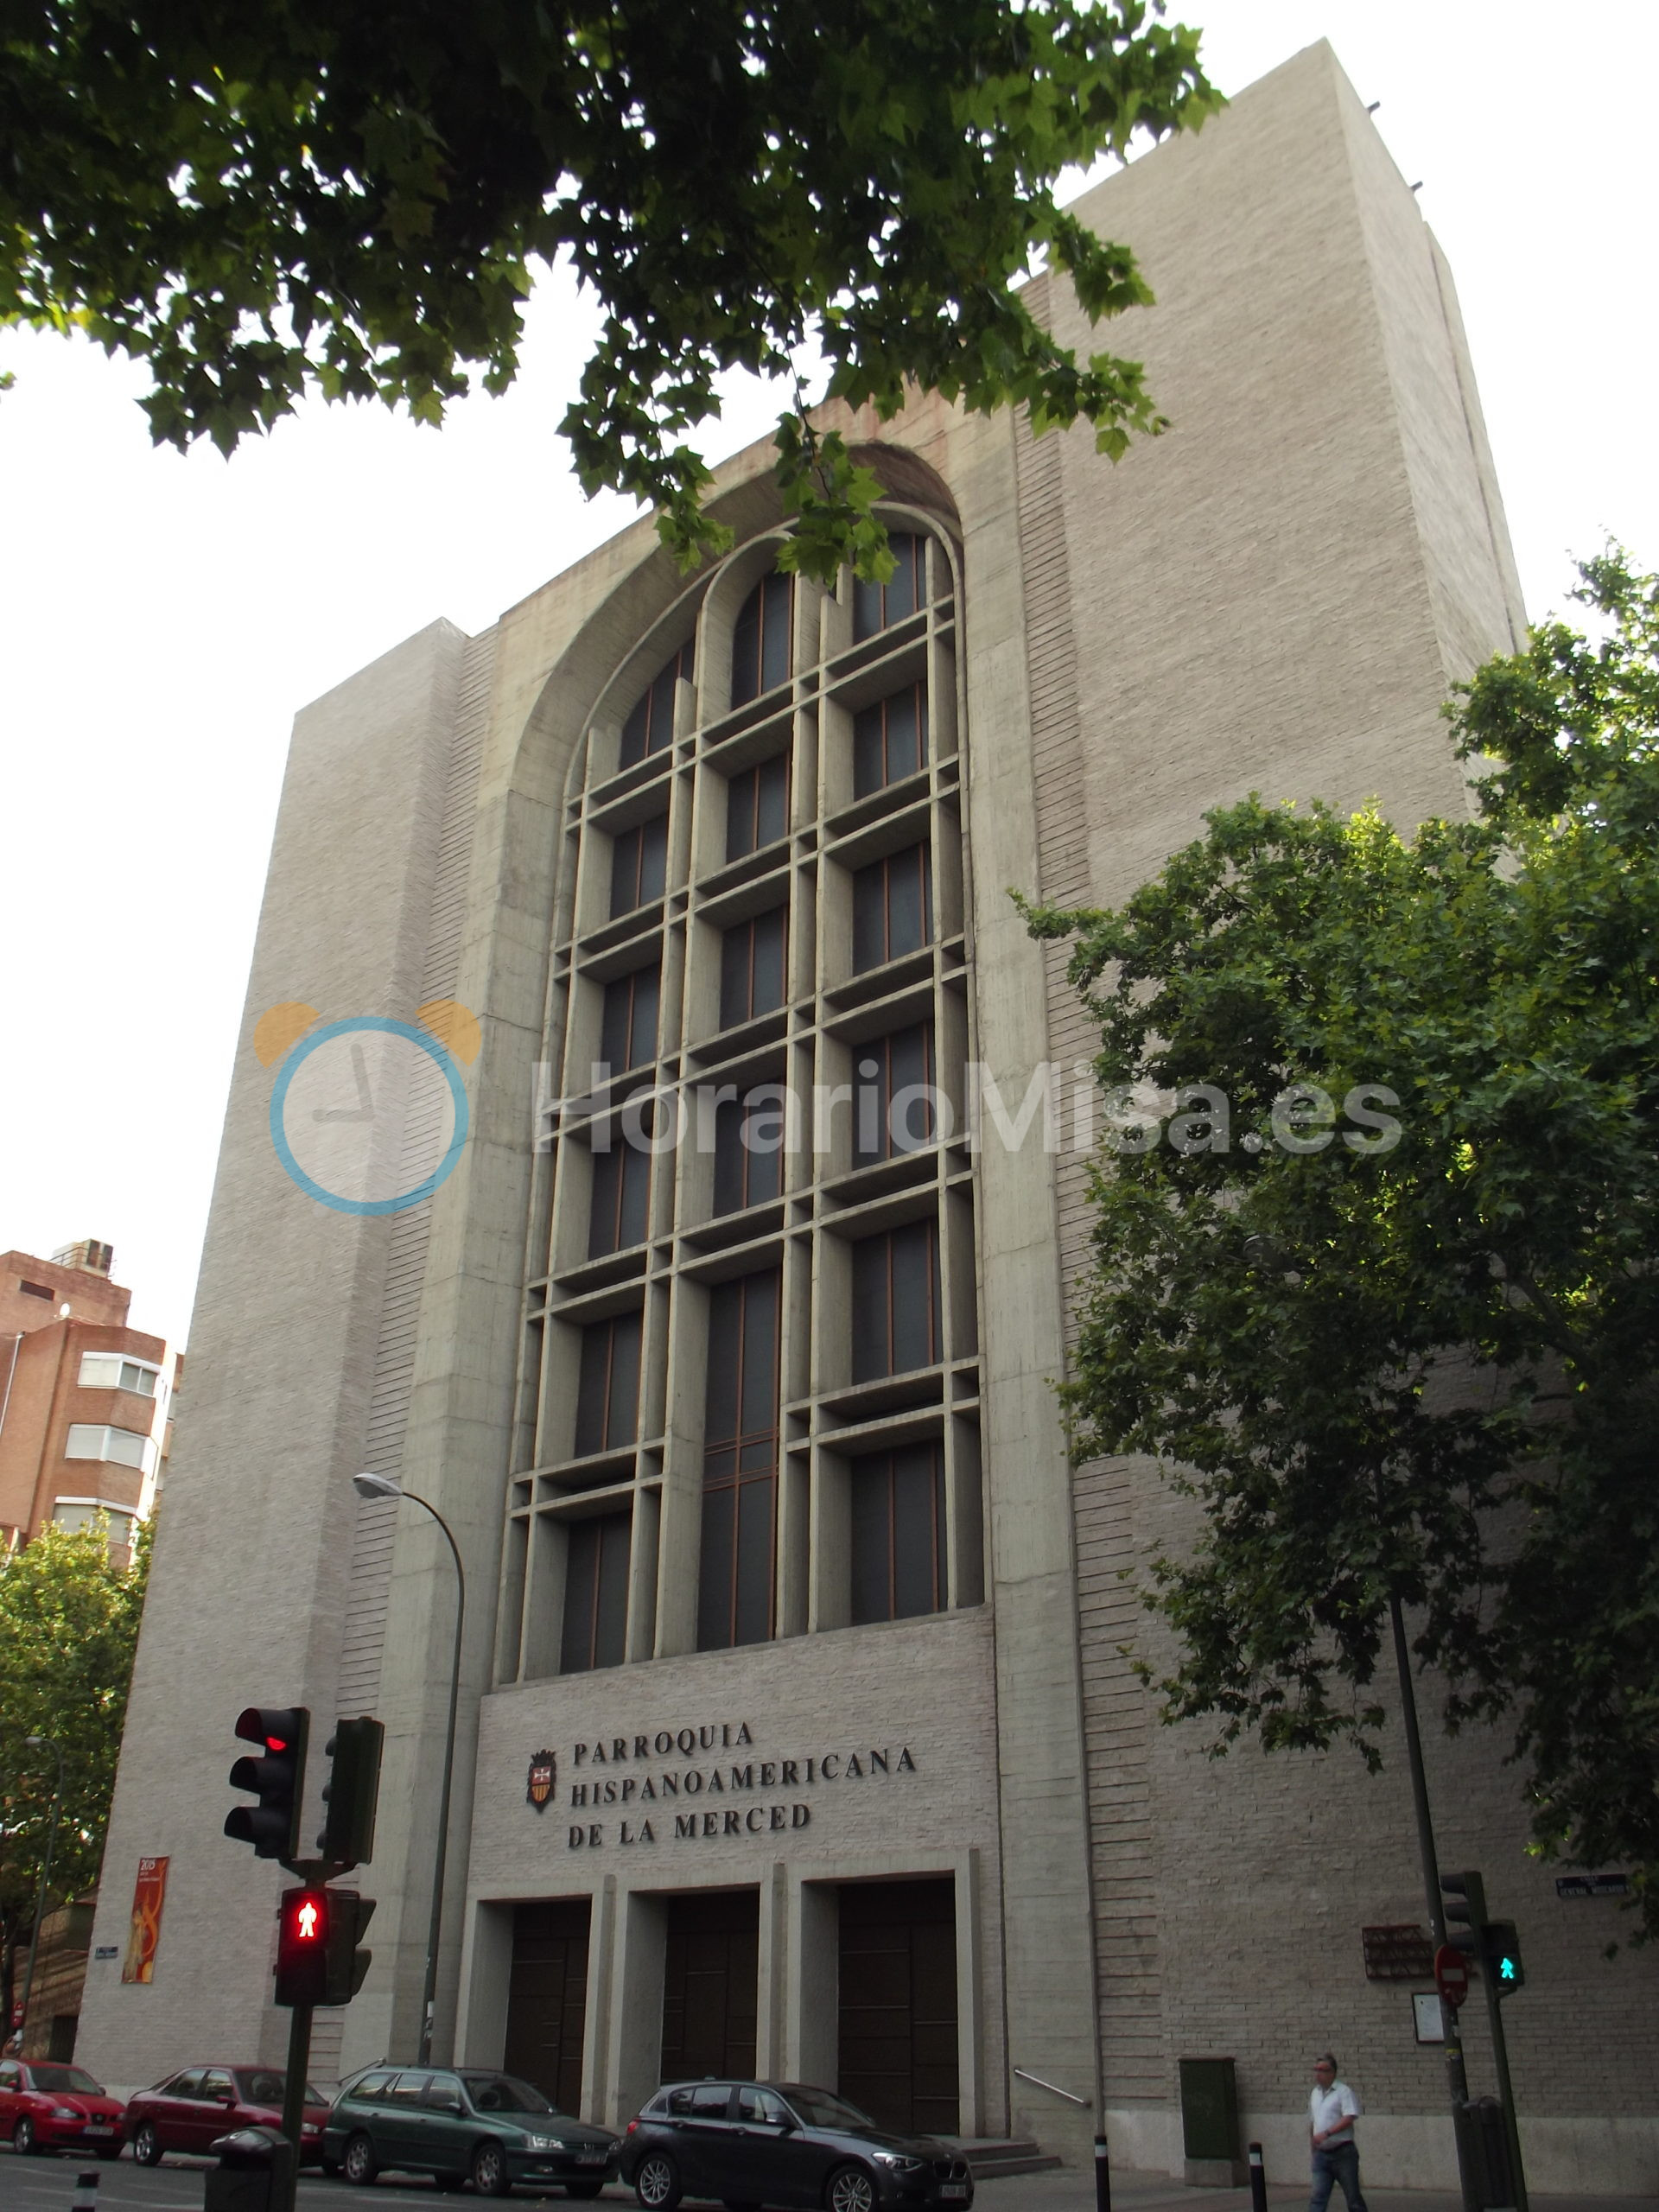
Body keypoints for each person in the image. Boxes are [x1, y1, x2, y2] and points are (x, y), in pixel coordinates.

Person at [1308, 2052, 1368, 2212]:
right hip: (1322, 2153)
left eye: (1322, 2070)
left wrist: (1327, 2133)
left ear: (1332, 2072)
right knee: (1317, 2198)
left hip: (1343, 2153)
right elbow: (1314, 2122)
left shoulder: (1343, 2092)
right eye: (1316, 2070)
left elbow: (1349, 2117)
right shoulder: (1315, 2093)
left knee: (1353, 2198)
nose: (1318, 2074)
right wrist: (1313, 2148)